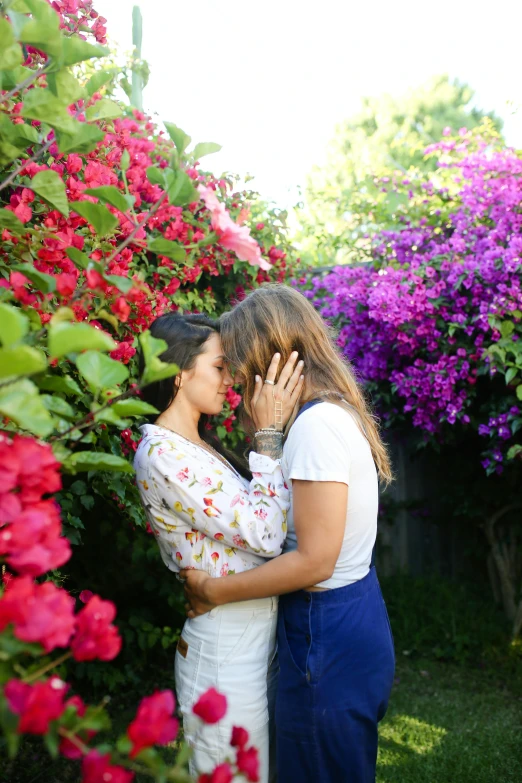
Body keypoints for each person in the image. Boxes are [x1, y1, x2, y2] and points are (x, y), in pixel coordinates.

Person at [182, 285, 396, 783]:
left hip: (328, 628)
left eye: (238, 363)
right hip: (342, 619)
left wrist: (211, 591)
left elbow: (314, 561)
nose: (234, 378)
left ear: (268, 358)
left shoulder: (316, 427)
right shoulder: (327, 413)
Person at [133, 312, 304, 782]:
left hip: (250, 638)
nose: (229, 379)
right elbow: (266, 534)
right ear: (180, 372)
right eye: (219, 366)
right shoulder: (162, 453)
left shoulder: (197, 446)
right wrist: (269, 433)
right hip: (223, 652)